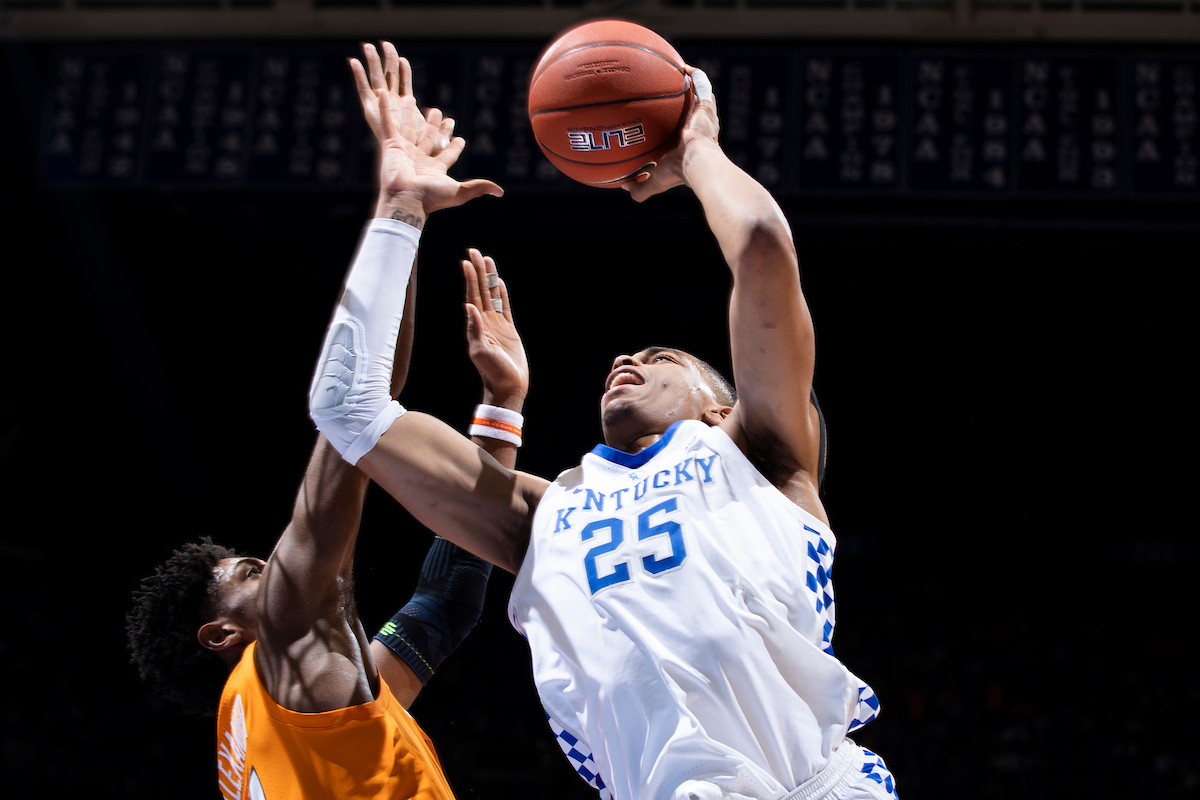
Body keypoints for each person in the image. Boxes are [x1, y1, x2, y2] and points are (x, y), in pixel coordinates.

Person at [307, 45, 898, 800]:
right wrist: (399, 210)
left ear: (720, 409)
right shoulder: (543, 514)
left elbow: (760, 247)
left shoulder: (760, 457)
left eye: (662, 355)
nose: (629, 355)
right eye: (628, 351)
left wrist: (697, 152)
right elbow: (346, 409)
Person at [126, 43, 519, 800]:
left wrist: (498, 410)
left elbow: (443, 604)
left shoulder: (293, 712)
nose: (273, 566)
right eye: (248, 573)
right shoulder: (282, 641)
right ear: (221, 634)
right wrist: (401, 210)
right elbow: (355, 419)